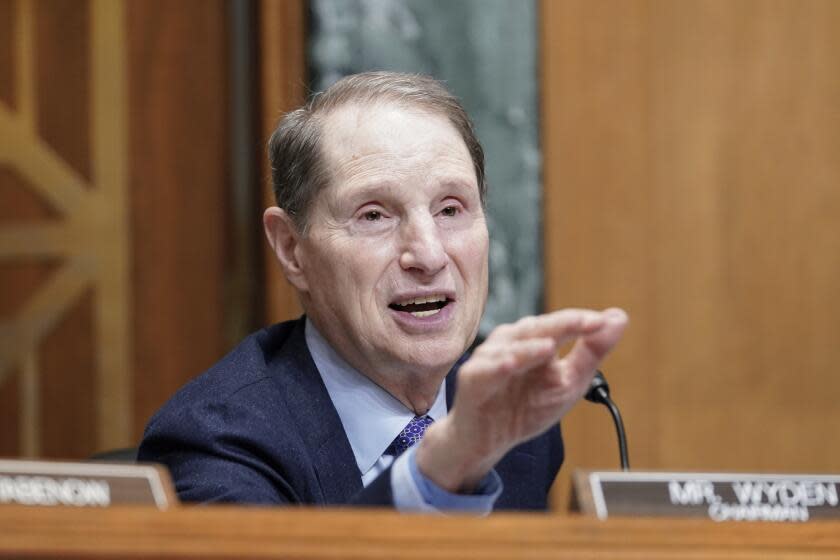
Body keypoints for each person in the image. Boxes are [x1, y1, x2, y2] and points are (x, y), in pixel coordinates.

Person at [138, 71, 627, 513]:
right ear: (292, 250)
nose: (429, 254)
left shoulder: (501, 407)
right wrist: (438, 474)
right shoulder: (218, 440)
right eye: (374, 215)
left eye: (451, 209)